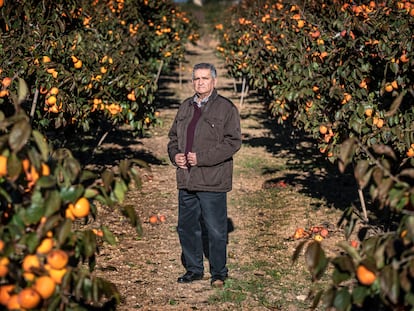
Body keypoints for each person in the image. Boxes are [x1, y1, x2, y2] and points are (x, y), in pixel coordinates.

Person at [167, 62, 242, 288]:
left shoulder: (225, 108)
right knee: (187, 227)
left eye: (205, 78)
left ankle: (219, 272)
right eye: (196, 79)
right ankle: (194, 269)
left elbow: (232, 142)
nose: (200, 82)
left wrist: (202, 158)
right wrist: (175, 156)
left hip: (212, 178)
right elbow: (172, 138)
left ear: (214, 81)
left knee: (216, 229)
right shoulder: (185, 107)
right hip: (187, 179)